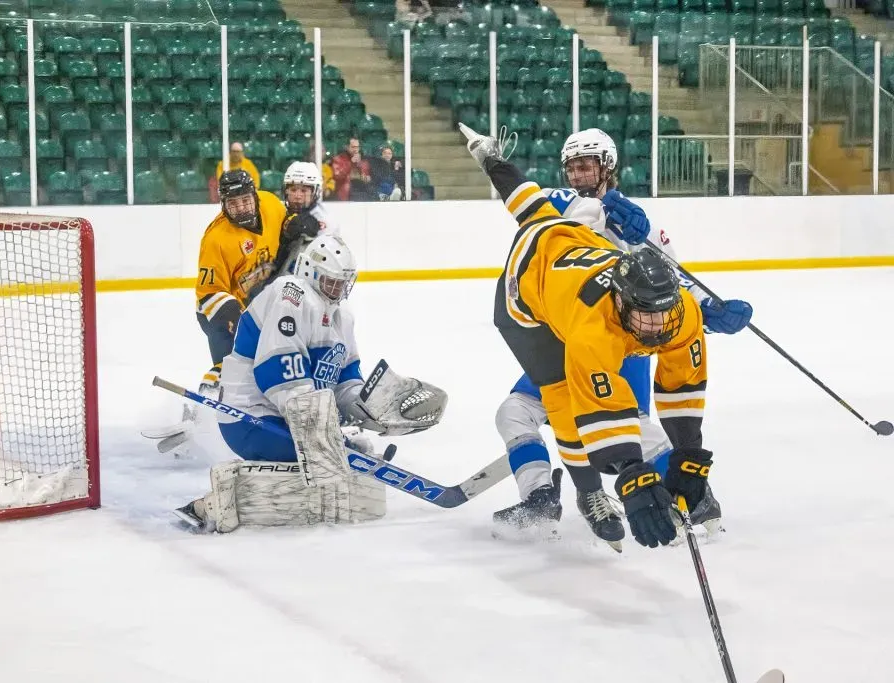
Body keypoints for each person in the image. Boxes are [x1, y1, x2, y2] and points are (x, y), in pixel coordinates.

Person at [460, 121, 718, 551]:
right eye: (572, 166)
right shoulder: (561, 203)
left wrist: (707, 307)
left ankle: (692, 495)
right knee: (529, 412)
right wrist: (494, 161)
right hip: (562, 322)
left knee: (623, 426)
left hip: (623, 335)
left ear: (608, 166)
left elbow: (670, 288)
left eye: (587, 165)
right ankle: (556, 496)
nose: (578, 175)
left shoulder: (640, 224)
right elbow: (528, 203)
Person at [173, 235, 447, 532]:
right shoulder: (290, 294)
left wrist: (372, 410)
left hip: (289, 418)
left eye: (344, 282)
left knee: (344, 453)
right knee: (329, 459)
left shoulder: (342, 319)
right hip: (250, 418)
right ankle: (213, 503)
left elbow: (345, 381)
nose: (339, 290)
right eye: (332, 281)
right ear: (309, 272)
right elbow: (275, 374)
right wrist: (324, 436)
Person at [143, 169, 318, 454]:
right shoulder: (216, 238)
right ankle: (198, 410)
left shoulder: (271, 204)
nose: (240, 208)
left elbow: (285, 225)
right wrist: (236, 319)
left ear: (254, 195)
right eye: (232, 203)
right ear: (223, 203)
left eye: (245, 200)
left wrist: (296, 223)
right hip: (220, 311)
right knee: (232, 365)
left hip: (259, 304)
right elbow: (208, 293)